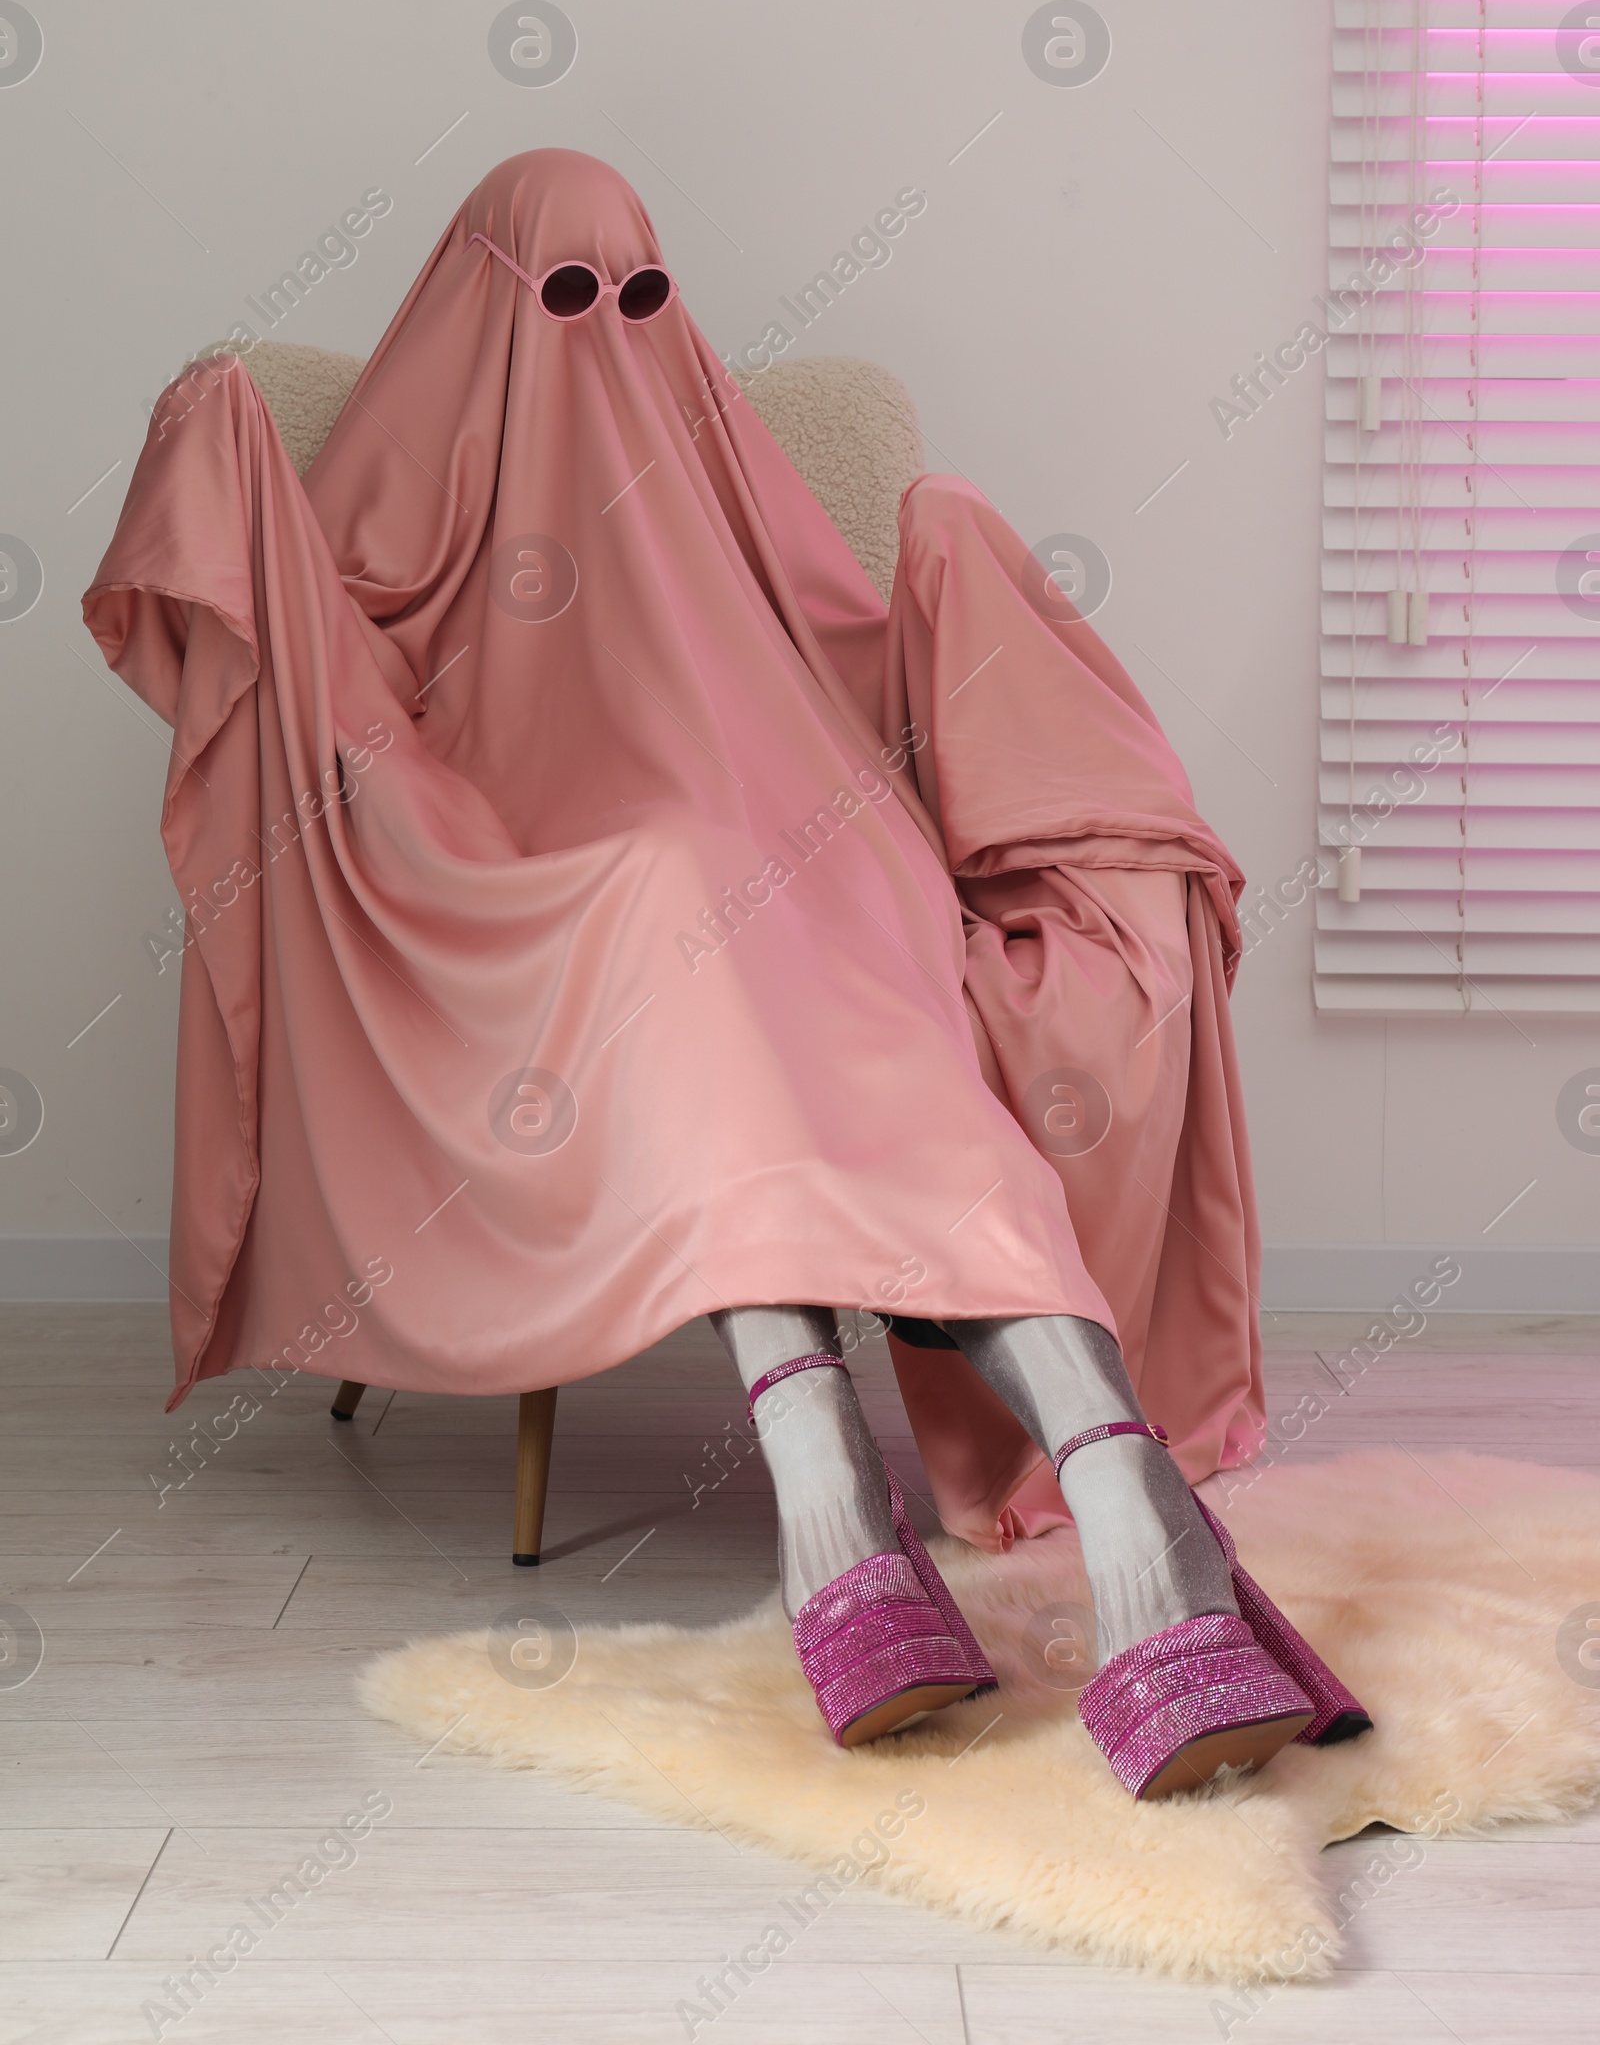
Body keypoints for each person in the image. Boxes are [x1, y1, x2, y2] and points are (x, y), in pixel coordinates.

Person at [85, 149, 1367, 1795]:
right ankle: (1099, 1514)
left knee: (790, 944)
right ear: (475, 312)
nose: (605, 339)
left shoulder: (719, 483)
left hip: (818, 859)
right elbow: (315, 690)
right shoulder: (388, 518)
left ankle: (873, 1512)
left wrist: (944, 577)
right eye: (560, 297)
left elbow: (845, 634)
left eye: (638, 298)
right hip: (550, 887)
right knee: (671, 920)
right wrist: (217, 436)